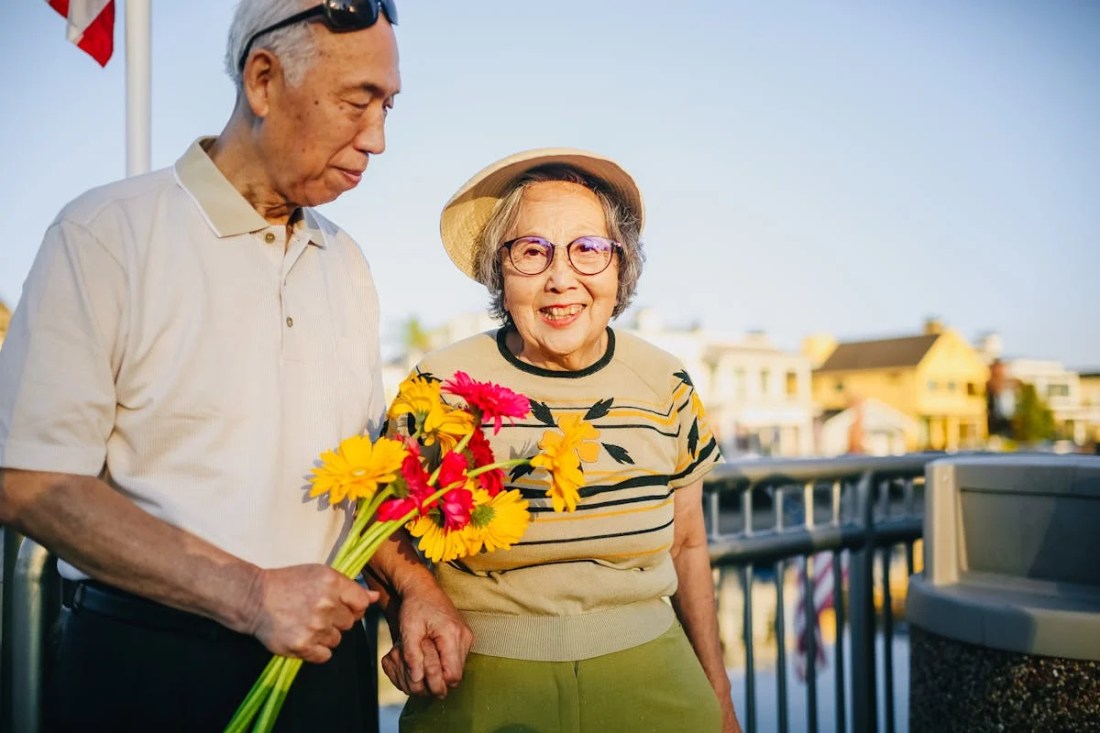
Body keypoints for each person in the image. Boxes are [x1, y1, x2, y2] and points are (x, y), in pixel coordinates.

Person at [0, 1, 469, 729]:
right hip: (148, 670)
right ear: (262, 80)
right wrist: (251, 595)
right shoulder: (105, 233)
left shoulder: (346, 261)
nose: (377, 139)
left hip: (325, 669)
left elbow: (359, 484)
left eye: (388, 107)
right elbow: (28, 480)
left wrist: (415, 587)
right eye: (357, 103)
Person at [383, 149, 743, 732]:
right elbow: (379, 525)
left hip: (657, 686)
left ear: (621, 266)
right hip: (481, 689)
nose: (560, 277)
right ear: (500, 270)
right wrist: (411, 604)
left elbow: (688, 545)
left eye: (589, 249)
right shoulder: (441, 385)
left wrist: (719, 696)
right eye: (531, 251)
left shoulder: (665, 381)